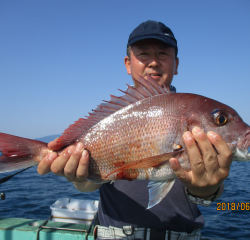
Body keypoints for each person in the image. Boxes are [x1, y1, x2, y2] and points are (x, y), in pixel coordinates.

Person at [37, 20, 232, 240]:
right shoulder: (110, 118)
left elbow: (211, 189)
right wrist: (79, 177)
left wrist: (206, 189)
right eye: (144, 54)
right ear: (128, 64)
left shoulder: (194, 112)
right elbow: (89, 185)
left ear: (176, 64)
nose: (154, 62)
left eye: (163, 54)